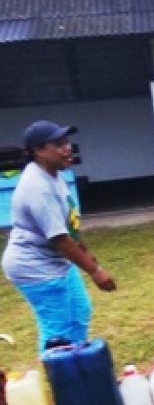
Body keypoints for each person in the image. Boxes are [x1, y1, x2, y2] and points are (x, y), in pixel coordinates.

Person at [2, 121, 116, 350]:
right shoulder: (38, 187)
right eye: (58, 144)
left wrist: (90, 257)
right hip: (33, 266)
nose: (67, 149)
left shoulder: (54, 176)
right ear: (38, 151)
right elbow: (60, 239)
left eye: (67, 143)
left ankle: (79, 366)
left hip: (56, 262)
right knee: (58, 332)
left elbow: (69, 228)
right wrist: (95, 271)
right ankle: (63, 377)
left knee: (79, 311)